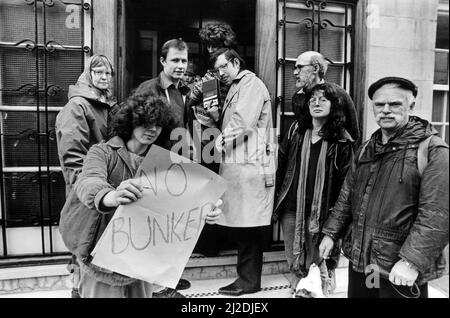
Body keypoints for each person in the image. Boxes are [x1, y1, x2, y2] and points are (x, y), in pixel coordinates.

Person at [59, 94, 223, 298]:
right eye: (145, 123)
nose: (152, 129)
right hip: (99, 257)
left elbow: (178, 205)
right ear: (130, 121)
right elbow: (88, 181)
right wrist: (110, 196)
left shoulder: (165, 164)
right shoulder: (102, 152)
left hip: (142, 259)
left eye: (158, 124)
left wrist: (204, 212)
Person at [319, 77, 449, 298]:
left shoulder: (433, 150)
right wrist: (331, 233)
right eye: (380, 105)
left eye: (395, 104)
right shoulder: (366, 149)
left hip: (399, 268)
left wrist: (412, 261)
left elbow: (437, 215)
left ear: (411, 106)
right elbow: (347, 195)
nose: (386, 110)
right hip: (364, 263)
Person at [272, 83, 356, 296]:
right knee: (294, 257)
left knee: (318, 260)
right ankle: (301, 286)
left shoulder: (342, 140)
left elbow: (347, 183)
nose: (316, 103)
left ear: (333, 105)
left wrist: (337, 218)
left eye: (323, 99)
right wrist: (276, 201)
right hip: (292, 207)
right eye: (312, 100)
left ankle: (320, 286)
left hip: (323, 210)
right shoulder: (297, 133)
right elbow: (281, 169)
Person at [211, 48, 276, 296]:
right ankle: (246, 278)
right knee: (243, 223)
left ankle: (248, 281)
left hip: (249, 168)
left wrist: (218, 143)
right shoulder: (239, 87)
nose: (220, 73)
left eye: (223, 67)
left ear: (235, 62)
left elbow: (242, 123)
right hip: (242, 168)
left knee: (248, 225)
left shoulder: (250, 84)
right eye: (217, 70)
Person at [55, 54, 117, 298]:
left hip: (103, 188)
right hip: (87, 188)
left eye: (108, 73)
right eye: (98, 72)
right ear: (88, 75)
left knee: (93, 245)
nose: (104, 77)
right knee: (83, 241)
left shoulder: (105, 103)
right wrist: (88, 189)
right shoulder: (78, 106)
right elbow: (72, 156)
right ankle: (78, 291)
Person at [188, 23, 238, 257]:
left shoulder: (212, 76)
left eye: (215, 45)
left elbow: (211, 111)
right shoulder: (224, 73)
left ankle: (208, 244)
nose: (211, 49)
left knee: (209, 186)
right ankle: (212, 242)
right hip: (216, 136)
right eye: (209, 45)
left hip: (211, 135)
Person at [133, 39, 191, 153]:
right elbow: (136, 130)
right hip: (154, 159)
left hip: (180, 159)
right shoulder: (147, 89)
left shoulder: (187, 91)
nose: (180, 66)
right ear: (163, 61)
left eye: (184, 61)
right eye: (175, 60)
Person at [292, 51, 359, 142]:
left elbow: (353, 133)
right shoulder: (298, 98)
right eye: (295, 68)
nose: (295, 72)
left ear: (316, 68)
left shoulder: (338, 94)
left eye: (300, 67)